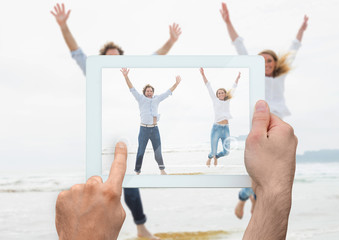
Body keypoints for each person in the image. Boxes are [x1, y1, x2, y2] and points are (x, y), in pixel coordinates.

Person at [55, 100, 298, 240]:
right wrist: (274, 190)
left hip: (146, 134)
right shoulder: (118, 103)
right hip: (131, 137)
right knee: (128, 182)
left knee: (134, 178)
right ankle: (141, 225)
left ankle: (141, 224)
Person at [51, 3, 181, 239]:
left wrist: (171, 41)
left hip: (126, 132)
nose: (112, 60)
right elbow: (77, 52)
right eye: (107, 58)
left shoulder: (129, 74)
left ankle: (141, 228)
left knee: (127, 180)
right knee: (102, 182)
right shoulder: (94, 71)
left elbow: (155, 57)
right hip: (101, 132)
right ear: (101, 60)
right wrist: (63, 25)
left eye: (116, 57)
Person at [220, 2, 308, 219]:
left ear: (275, 64)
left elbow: (294, 49)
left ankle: (251, 201)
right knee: (259, 170)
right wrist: (228, 22)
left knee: (269, 172)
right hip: (260, 124)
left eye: (270, 60)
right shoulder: (255, 76)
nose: (266, 63)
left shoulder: (280, 77)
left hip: (277, 123)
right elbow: (239, 47)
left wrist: (302, 30)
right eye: (262, 60)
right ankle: (247, 200)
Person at [120, 68, 181, 174]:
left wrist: (176, 83)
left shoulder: (157, 99)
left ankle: (162, 170)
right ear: (144, 92)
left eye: (151, 91)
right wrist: (126, 77)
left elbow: (168, 92)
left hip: (155, 129)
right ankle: (137, 171)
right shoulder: (140, 98)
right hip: (144, 129)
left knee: (158, 152)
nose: (149, 92)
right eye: (147, 91)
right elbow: (131, 88)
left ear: (153, 92)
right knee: (140, 151)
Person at [199, 67, 240, 167]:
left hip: (226, 129)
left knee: (226, 152)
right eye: (219, 93)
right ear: (217, 95)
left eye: (222, 92)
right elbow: (208, 86)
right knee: (212, 152)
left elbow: (233, 88)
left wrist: (237, 78)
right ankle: (210, 157)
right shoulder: (215, 100)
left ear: (225, 94)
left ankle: (216, 157)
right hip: (216, 128)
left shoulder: (227, 101)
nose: (221, 94)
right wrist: (203, 75)